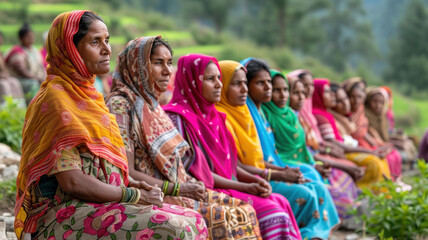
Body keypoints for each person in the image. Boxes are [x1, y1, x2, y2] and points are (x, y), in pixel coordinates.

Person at [14, 11, 207, 240]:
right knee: (174, 228)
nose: (106, 49)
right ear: (70, 49)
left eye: (106, 40)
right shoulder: (56, 99)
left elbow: (107, 168)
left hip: (100, 203)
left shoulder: (90, 97)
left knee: (195, 219)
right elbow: (73, 181)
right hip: (61, 213)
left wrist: (136, 186)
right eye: (95, 42)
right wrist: (133, 195)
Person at [106, 36, 262, 240]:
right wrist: (180, 188)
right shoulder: (121, 105)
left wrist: (188, 186)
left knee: (246, 209)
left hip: (180, 189)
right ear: (137, 65)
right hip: (155, 194)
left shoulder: (152, 105)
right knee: (229, 216)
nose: (166, 71)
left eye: (169, 63)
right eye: (158, 63)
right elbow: (128, 172)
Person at [164, 54, 301, 240]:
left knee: (281, 201)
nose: (219, 84)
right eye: (210, 79)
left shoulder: (217, 118)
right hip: (204, 189)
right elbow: (197, 173)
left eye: (219, 78)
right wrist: (246, 186)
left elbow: (232, 165)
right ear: (192, 82)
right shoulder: (178, 119)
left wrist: (253, 182)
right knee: (275, 214)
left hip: (229, 184)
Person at [216, 60, 339, 239]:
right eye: (260, 83)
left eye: (269, 83)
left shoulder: (247, 114)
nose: (269, 88)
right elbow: (235, 165)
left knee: (314, 184)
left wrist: (282, 171)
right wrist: (278, 174)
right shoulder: (227, 117)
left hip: (260, 173)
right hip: (246, 178)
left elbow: (260, 157)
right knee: (305, 194)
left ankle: (314, 234)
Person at [312, 79, 391, 190]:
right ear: (317, 95)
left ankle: (386, 193)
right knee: (373, 161)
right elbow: (332, 142)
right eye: (327, 92)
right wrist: (371, 151)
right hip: (337, 151)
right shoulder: (321, 115)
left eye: (345, 99)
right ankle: (368, 194)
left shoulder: (328, 114)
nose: (332, 96)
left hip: (343, 148)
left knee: (380, 158)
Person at [344, 78, 402, 181]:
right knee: (377, 159)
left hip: (362, 143)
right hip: (353, 144)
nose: (356, 100)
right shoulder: (347, 113)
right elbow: (354, 133)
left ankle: (392, 183)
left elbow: (364, 131)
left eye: (359, 96)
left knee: (391, 153)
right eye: (352, 96)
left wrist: (379, 145)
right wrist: (375, 147)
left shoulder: (360, 111)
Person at [5, 23, 46, 104]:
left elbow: (41, 66)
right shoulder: (17, 51)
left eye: (32, 36)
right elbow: (22, 72)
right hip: (22, 79)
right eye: (28, 36)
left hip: (35, 76)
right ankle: (34, 107)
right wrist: (37, 78)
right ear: (21, 38)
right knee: (33, 84)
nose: (31, 38)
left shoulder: (35, 50)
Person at [0, 31, 25, 105]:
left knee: (15, 82)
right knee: (4, 85)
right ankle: (6, 109)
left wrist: (5, 74)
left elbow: (4, 68)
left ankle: (19, 107)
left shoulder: (1, 53)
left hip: (3, 77)